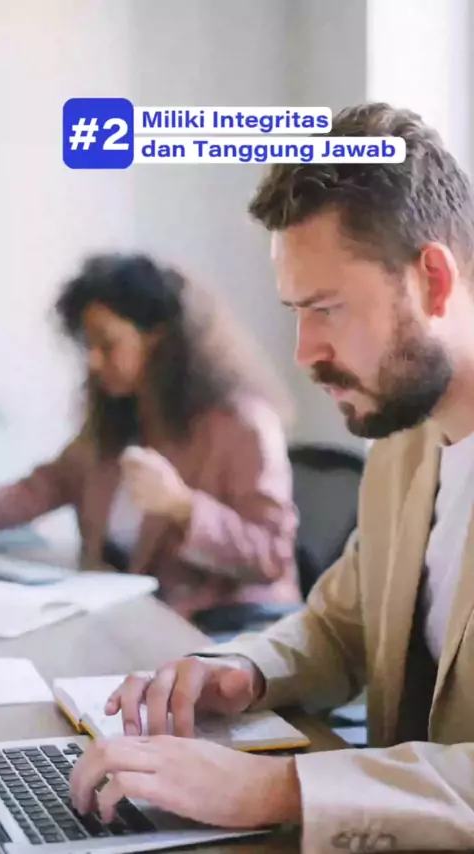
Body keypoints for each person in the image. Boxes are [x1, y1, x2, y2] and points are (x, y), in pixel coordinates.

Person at [69, 101, 474, 851]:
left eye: (327, 309)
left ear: (434, 281)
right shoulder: (406, 445)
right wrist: (239, 670)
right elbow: (340, 627)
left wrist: (275, 788)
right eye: (296, 311)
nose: (303, 352)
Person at [0, 253, 301, 620]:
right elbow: (35, 490)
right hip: (132, 621)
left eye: (107, 344)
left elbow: (271, 557)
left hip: (223, 629)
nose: (93, 361)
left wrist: (182, 505)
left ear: (159, 339)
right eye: (88, 345)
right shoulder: (116, 419)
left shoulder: (243, 424)